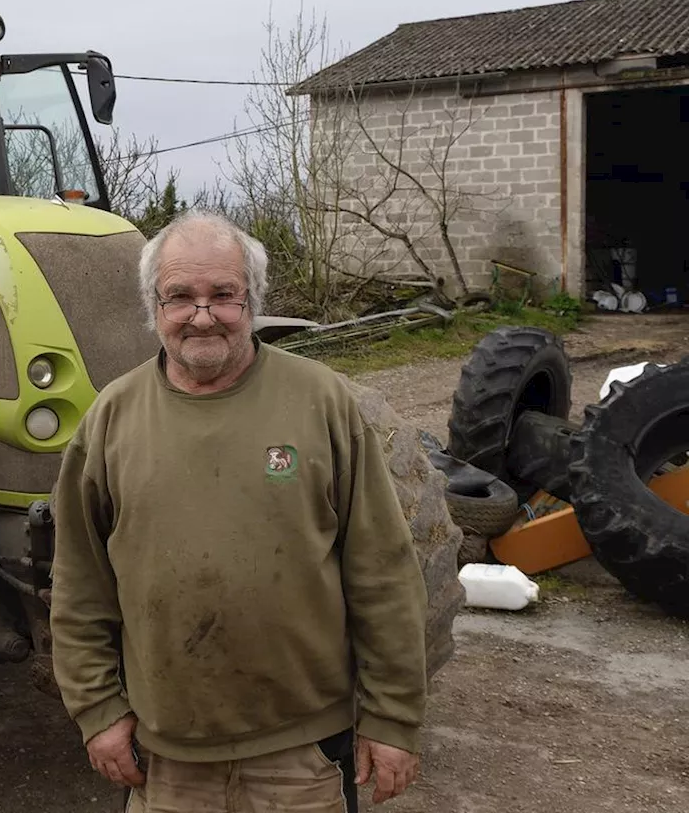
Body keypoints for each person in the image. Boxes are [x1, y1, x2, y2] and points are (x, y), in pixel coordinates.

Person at [48, 209, 429, 812]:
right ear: (154, 307)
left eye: (223, 294)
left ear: (252, 301)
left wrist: (393, 717)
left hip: (304, 754)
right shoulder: (111, 420)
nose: (203, 315)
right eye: (180, 297)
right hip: (167, 761)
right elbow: (79, 586)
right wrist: (98, 712)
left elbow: (382, 571)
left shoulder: (322, 402)